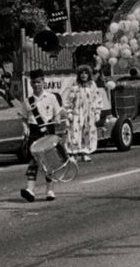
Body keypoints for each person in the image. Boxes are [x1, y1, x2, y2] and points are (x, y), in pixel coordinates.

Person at [19, 70, 63, 202]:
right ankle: (30, 190)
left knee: (49, 161)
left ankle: (50, 190)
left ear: (43, 82)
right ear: (31, 84)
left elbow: (57, 113)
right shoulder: (28, 101)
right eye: (34, 82)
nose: (36, 85)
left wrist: (58, 118)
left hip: (48, 130)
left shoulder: (51, 97)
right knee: (33, 162)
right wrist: (25, 128)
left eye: (39, 82)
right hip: (34, 131)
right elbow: (23, 118)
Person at [63, 65, 99, 161]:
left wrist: (97, 112)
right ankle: (73, 154)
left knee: (87, 132)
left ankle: (85, 153)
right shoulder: (74, 85)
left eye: (85, 73)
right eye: (82, 73)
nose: (84, 75)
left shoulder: (92, 85)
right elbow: (68, 99)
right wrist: (69, 111)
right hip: (76, 114)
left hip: (88, 114)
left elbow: (97, 99)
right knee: (74, 133)